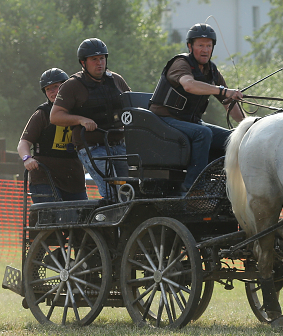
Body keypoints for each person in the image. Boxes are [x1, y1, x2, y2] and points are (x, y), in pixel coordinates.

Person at [149, 23, 244, 192]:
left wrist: (249, 125)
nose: (205, 50)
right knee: (203, 133)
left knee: (231, 139)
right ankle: (194, 187)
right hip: (164, 120)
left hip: (190, 122)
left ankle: (220, 185)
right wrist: (223, 90)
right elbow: (189, 85)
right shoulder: (181, 63)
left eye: (209, 45)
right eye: (200, 45)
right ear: (190, 46)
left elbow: (228, 103)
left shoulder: (212, 71)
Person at [50, 38, 131, 200]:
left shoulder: (116, 80)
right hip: (93, 148)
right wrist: (80, 120)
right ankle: (110, 224)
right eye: (94, 59)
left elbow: (132, 105)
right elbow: (55, 116)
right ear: (83, 62)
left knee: (131, 190)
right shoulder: (72, 85)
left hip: (119, 145)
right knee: (113, 193)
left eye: (102, 58)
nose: (99, 63)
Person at [17, 68, 88, 203]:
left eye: (57, 86)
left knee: (81, 219)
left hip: (74, 179)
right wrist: (27, 158)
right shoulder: (42, 114)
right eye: (49, 89)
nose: (53, 92)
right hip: (44, 177)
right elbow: (24, 143)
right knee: (53, 216)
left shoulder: (80, 111)